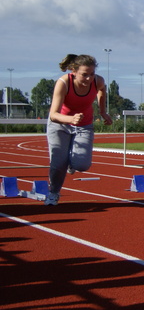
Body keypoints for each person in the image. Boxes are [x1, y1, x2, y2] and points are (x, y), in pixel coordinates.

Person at [45, 54, 112, 205]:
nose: (88, 79)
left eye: (92, 74)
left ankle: (71, 162)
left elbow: (102, 89)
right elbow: (54, 114)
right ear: (73, 71)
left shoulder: (98, 81)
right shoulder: (63, 83)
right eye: (84, 75)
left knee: (82, 165)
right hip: (59, 124)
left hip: (84, 125)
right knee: (58, 163)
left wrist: (102, 111)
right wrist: (71, 119)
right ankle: (53, 192)